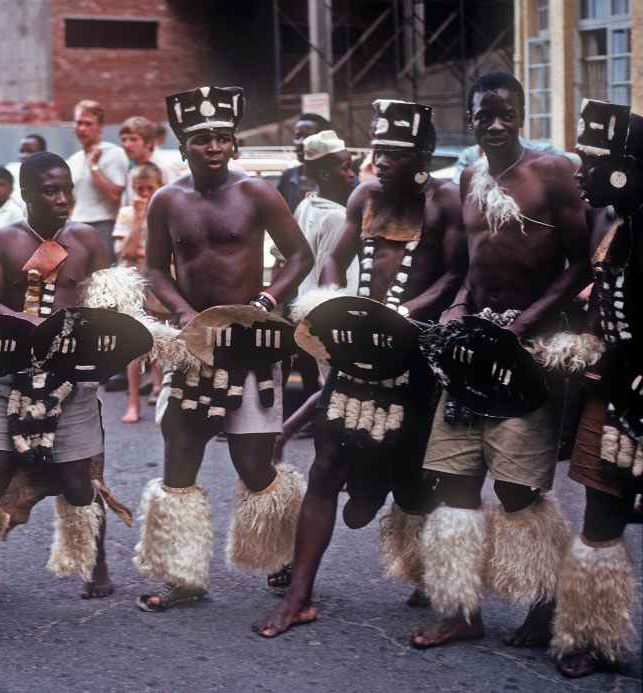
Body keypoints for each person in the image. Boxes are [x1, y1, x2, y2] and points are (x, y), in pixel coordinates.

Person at [256, 102, 466, 636]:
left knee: (420, 484)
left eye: (394, 153)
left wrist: (407, 314)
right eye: (378, 149)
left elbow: (456, 276)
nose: (381, 161)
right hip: (358, 354)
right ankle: (299, 597)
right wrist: (331, 297)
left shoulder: (444, 202)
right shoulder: (365, 195)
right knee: (326, 468)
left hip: (415, 358)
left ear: (420, 156)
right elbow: (335, 256)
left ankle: (454, 603)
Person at [411, 72, 589, 650]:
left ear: (520, 115)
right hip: (470, 352)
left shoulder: (551, 173)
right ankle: (460, 608)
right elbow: (467, 271)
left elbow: (580, 265)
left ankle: (547, 605)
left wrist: (525, 322)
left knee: (517, 492)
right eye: (483, 114)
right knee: (453, 482)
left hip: (528, 355)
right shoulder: (470, 176)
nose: (493, 125)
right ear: (470, 117)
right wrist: (457, 312)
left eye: (504, 114)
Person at [133, 85, 314, 612]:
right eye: (200, 139)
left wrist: (265, 299)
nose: (212, 147)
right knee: (180, 455)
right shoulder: (167, 200)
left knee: (254, 464)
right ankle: (183, 574)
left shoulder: (257, 193)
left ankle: (281, 551)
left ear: (232, 143)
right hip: (193, 347)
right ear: (183, 145)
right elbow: (153, 271)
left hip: (251, 345)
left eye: (220, 138)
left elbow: (298, 256)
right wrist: (185, 313)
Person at [0, 151, 121, 620]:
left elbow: (114, 305)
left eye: (66, 190)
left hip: (72, 379)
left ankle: (97, 565)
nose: (61, 200)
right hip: (12, 374)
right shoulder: (4, 241)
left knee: (79, 481)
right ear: (27, 195)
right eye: (50, 191)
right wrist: (20, 320)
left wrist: (93, 342)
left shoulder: (89, 239)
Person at [550, 99, 643, 678]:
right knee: (601, 513)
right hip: (612, 393)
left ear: (625, 167)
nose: (579, 173)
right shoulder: (609, 219)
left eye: (592, 162)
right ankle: (594, 635)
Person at [270, 129, 359, 464]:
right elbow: (338, 273)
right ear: (323, 173)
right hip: (333, 312)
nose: (351, 173)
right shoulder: (337, 217)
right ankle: (324, 451)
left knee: (330, 389)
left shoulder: (306, 205)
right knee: (338, 392)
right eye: (345, 167)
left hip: (306, 310)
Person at [114, 162, 167, 423]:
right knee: (135, 342)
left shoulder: (166, 211)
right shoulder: (127, 213)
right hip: (135, 283)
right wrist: (138, 218)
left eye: (150, 189)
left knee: (159, 336)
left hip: (159, 284)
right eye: (139, 189)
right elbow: (126, 252)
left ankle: (159, 386)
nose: (144, 194)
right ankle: (133, 401)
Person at [66, 99, 128, 259]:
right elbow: (69, 200)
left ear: (100, 127)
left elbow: (115, 196)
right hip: (76, 225)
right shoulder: (73, 160)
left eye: (88, 124)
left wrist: (94, 166)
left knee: (101, 278)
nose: (82, 128)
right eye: (78, 123)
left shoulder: (114, 153)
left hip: (103, 225)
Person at [277, 113, 330, 213]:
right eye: (298, 136)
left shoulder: (339, 177)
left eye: (307, 136)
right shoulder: (288, 177)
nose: (300, 142)